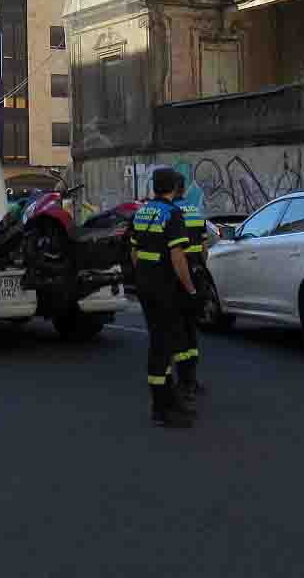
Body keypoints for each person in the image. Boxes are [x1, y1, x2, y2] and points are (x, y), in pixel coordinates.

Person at [132, 167, 196, 428]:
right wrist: (190, 288)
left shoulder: (141, 211)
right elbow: (177, 257)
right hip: (164, 289)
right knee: (162, 346)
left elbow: (134, 253)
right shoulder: (172, 213)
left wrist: (144, 276)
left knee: (161, 341)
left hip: (145, 287)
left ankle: (169, 402)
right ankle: (161, 408)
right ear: (174, 188)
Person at [172, 172, 207, 402]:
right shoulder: (195, 211)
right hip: (196, 273)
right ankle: (192, 378)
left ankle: (183, 381)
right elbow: (204, 247)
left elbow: (175, 254)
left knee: (177, 330)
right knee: (191, 328)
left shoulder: (170, 214)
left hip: (177, 278)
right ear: (184, 189)